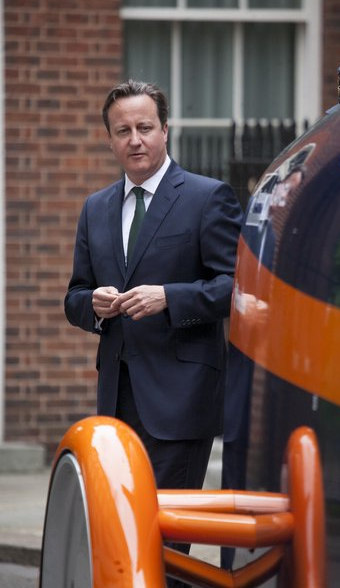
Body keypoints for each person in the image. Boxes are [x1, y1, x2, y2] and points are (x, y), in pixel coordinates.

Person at [64, 79, 242, 583]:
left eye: (145, 127)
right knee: (121, 532)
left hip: (181, 397)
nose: (135, 139)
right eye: (123, 131)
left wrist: (171, 297)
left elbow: (236, 288)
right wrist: (94, 306)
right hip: (117, 398)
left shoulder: (208, 197)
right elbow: (74, 296)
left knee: (166, 540)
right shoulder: (95, 208)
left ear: (166, 130)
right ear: (110, 140)